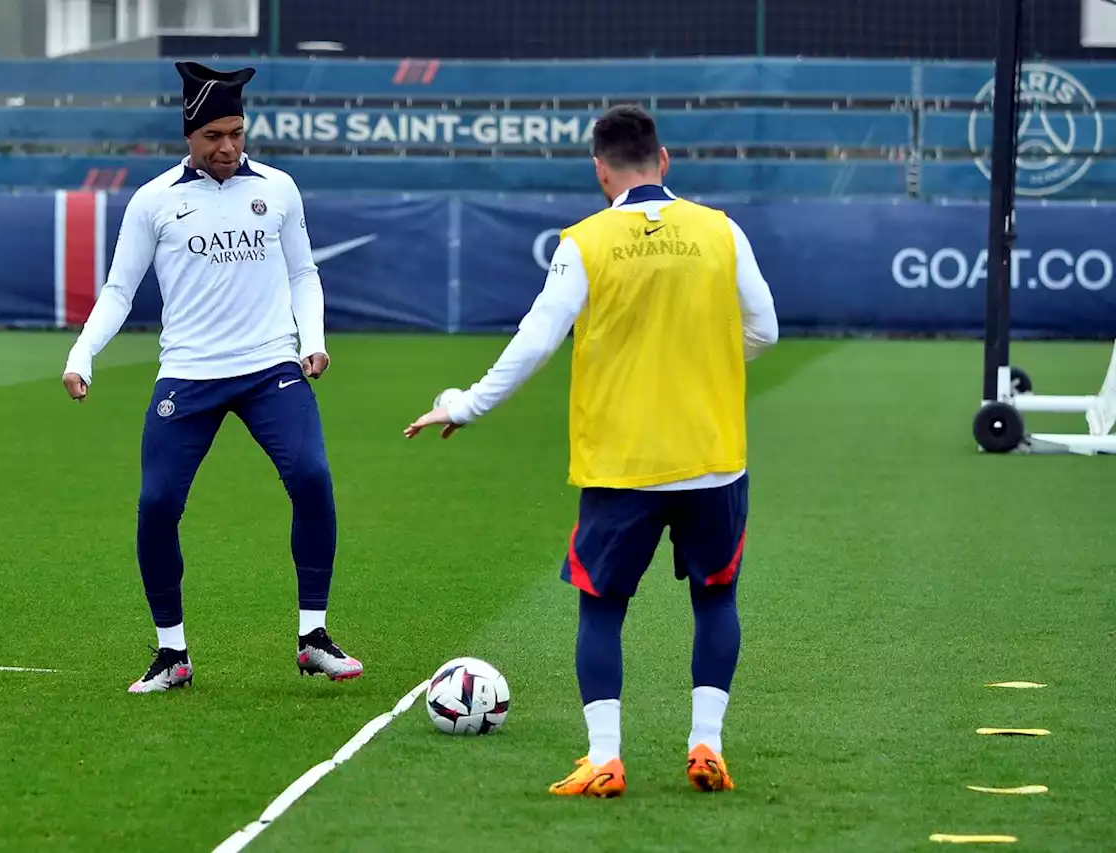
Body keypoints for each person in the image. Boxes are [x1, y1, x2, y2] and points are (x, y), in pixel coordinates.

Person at [405, 104, 778, 796]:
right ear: (665, 162)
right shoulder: (722, 231)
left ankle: (606, 756)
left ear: (600, 170)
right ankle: (707, 745)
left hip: (622, 462)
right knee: (715, 597)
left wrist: (466, 404)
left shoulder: (584, 241)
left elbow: (538, 340)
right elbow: (765, 329)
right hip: (713, 455)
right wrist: (705, 366)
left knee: (602, 608)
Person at [61, 61, 362, 694]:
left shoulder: (279, 189)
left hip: (270, 368)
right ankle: (172, 654)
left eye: (236, 132)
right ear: (189, 136)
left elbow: (304, 275)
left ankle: (313, 637)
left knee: (312, 477)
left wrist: (313, 341)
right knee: (157, 505)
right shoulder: (154, 201)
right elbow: (119, 290)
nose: (227, 146)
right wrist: (82, 354)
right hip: (189, 375)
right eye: (213, 136)